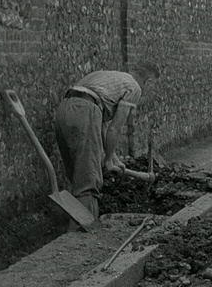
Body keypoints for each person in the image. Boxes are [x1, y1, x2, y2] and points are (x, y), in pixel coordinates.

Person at [54, 61, 160, 231]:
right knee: (89, 180)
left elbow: (101, 126)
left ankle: (69, 224)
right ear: (148, 82)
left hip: (64, 110)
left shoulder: (112, 78)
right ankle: (82, 235)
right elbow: (115, 128)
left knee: (76, 174)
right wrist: (108, 159)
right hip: (86, 111)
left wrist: (114, 157)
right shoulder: (134, 88)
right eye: (152, 86)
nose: (150, 90)